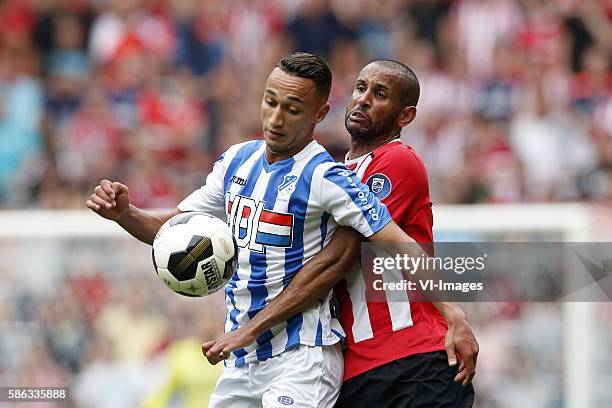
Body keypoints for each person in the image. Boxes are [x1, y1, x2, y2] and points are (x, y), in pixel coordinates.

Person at [87, 52, 429, 408]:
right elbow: (172, 230)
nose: (276, 118)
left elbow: (400, 242)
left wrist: (453, 313)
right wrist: (125, 214)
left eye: (293, 109)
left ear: (319, 114)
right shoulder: (236, 160)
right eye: (270, 102)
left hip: (302, 357)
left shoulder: (328, 178)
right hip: (240, 359)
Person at [202, 60, 478, 407]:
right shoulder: (333, 175)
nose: (363, 99)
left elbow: (340, 253)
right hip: (358, 369)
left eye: (380, 95)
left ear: (405, 116)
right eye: (360, 88)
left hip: (415, 360)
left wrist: (454, 312)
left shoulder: (395, 161)